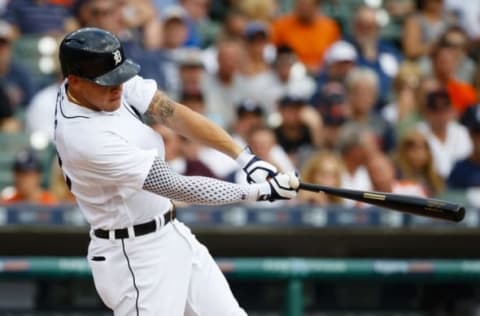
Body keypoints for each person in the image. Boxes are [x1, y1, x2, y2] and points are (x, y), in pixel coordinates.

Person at [55, 27, 298, 316]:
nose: (118, 87)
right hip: (134, 256)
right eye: (107, 83)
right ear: (74, 81)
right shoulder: (83, 138)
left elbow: (173, 114)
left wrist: (244, 157)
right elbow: (175, 185)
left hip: (171, 232)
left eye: (119, 77)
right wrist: (256, 192)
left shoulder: (99, 84)